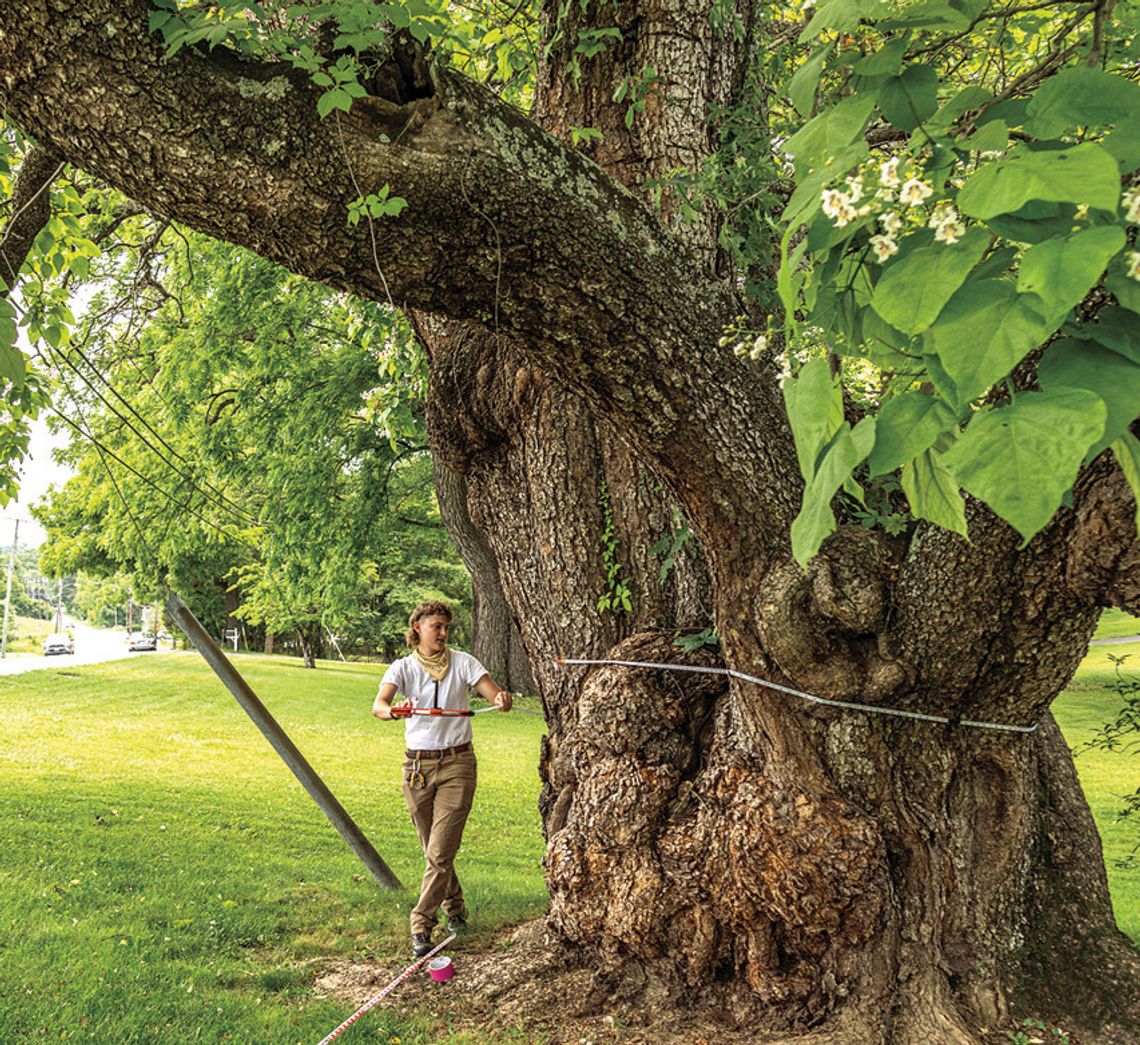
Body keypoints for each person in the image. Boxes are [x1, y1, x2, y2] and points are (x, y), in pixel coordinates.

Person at [372, 599, 512, 956]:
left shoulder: (463, 661)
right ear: (418, 626)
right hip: (417, 768)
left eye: (447, 627)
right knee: (434, 850)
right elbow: (380, 705)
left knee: (439, 850)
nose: (443, 633)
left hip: (458, 766)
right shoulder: (402, 667)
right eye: (437, 626)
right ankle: (456, 907)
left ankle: (421, 923)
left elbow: (490, 689)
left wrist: (500, 698)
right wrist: (393, 712)